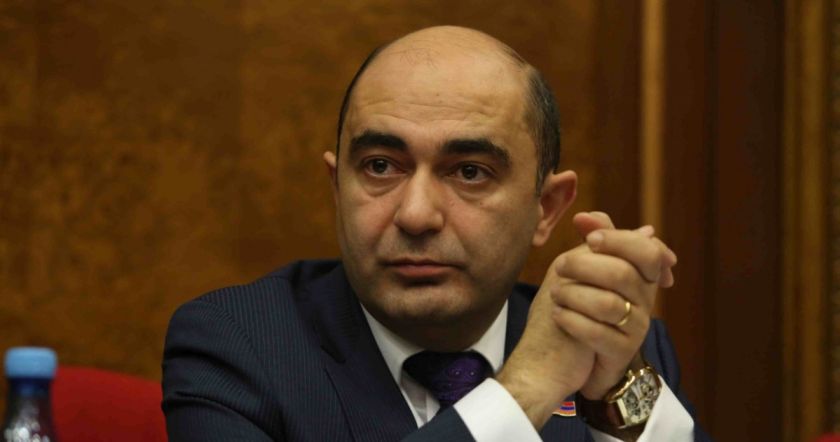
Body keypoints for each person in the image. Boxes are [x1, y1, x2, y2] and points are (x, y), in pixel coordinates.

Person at [162, 26, 710, 441]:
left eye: (469, 172)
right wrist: (526, 387)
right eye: (380, 166)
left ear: (545, 209)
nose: (416, 215)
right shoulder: (238, 346)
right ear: (337, 187)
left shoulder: (610, 343)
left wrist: (614, 401)